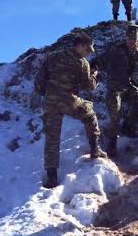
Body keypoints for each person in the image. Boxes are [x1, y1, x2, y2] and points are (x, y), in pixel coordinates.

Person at [34, 32, 107, 189]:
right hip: (69, 100)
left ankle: (51, 175)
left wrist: (47, 94)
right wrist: (94, 75)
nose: (89, 52)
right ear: (79, 45)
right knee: (90, 115)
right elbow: (89, 86)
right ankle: (95, 149)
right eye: (87, 49)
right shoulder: (82, 63)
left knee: (52, 137)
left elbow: (39, 82)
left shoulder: (52, 56)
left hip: (50, 101)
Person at [98, 24, 138, 156]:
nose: (131, 41)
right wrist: (92, 69)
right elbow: (100, 60)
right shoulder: (116, 49)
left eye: (134, 38)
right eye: (129, 38)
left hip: (128, 85)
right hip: (114, 85)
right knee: (115, 112)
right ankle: (112, 144)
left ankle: (127, 127)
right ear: (125, 37)